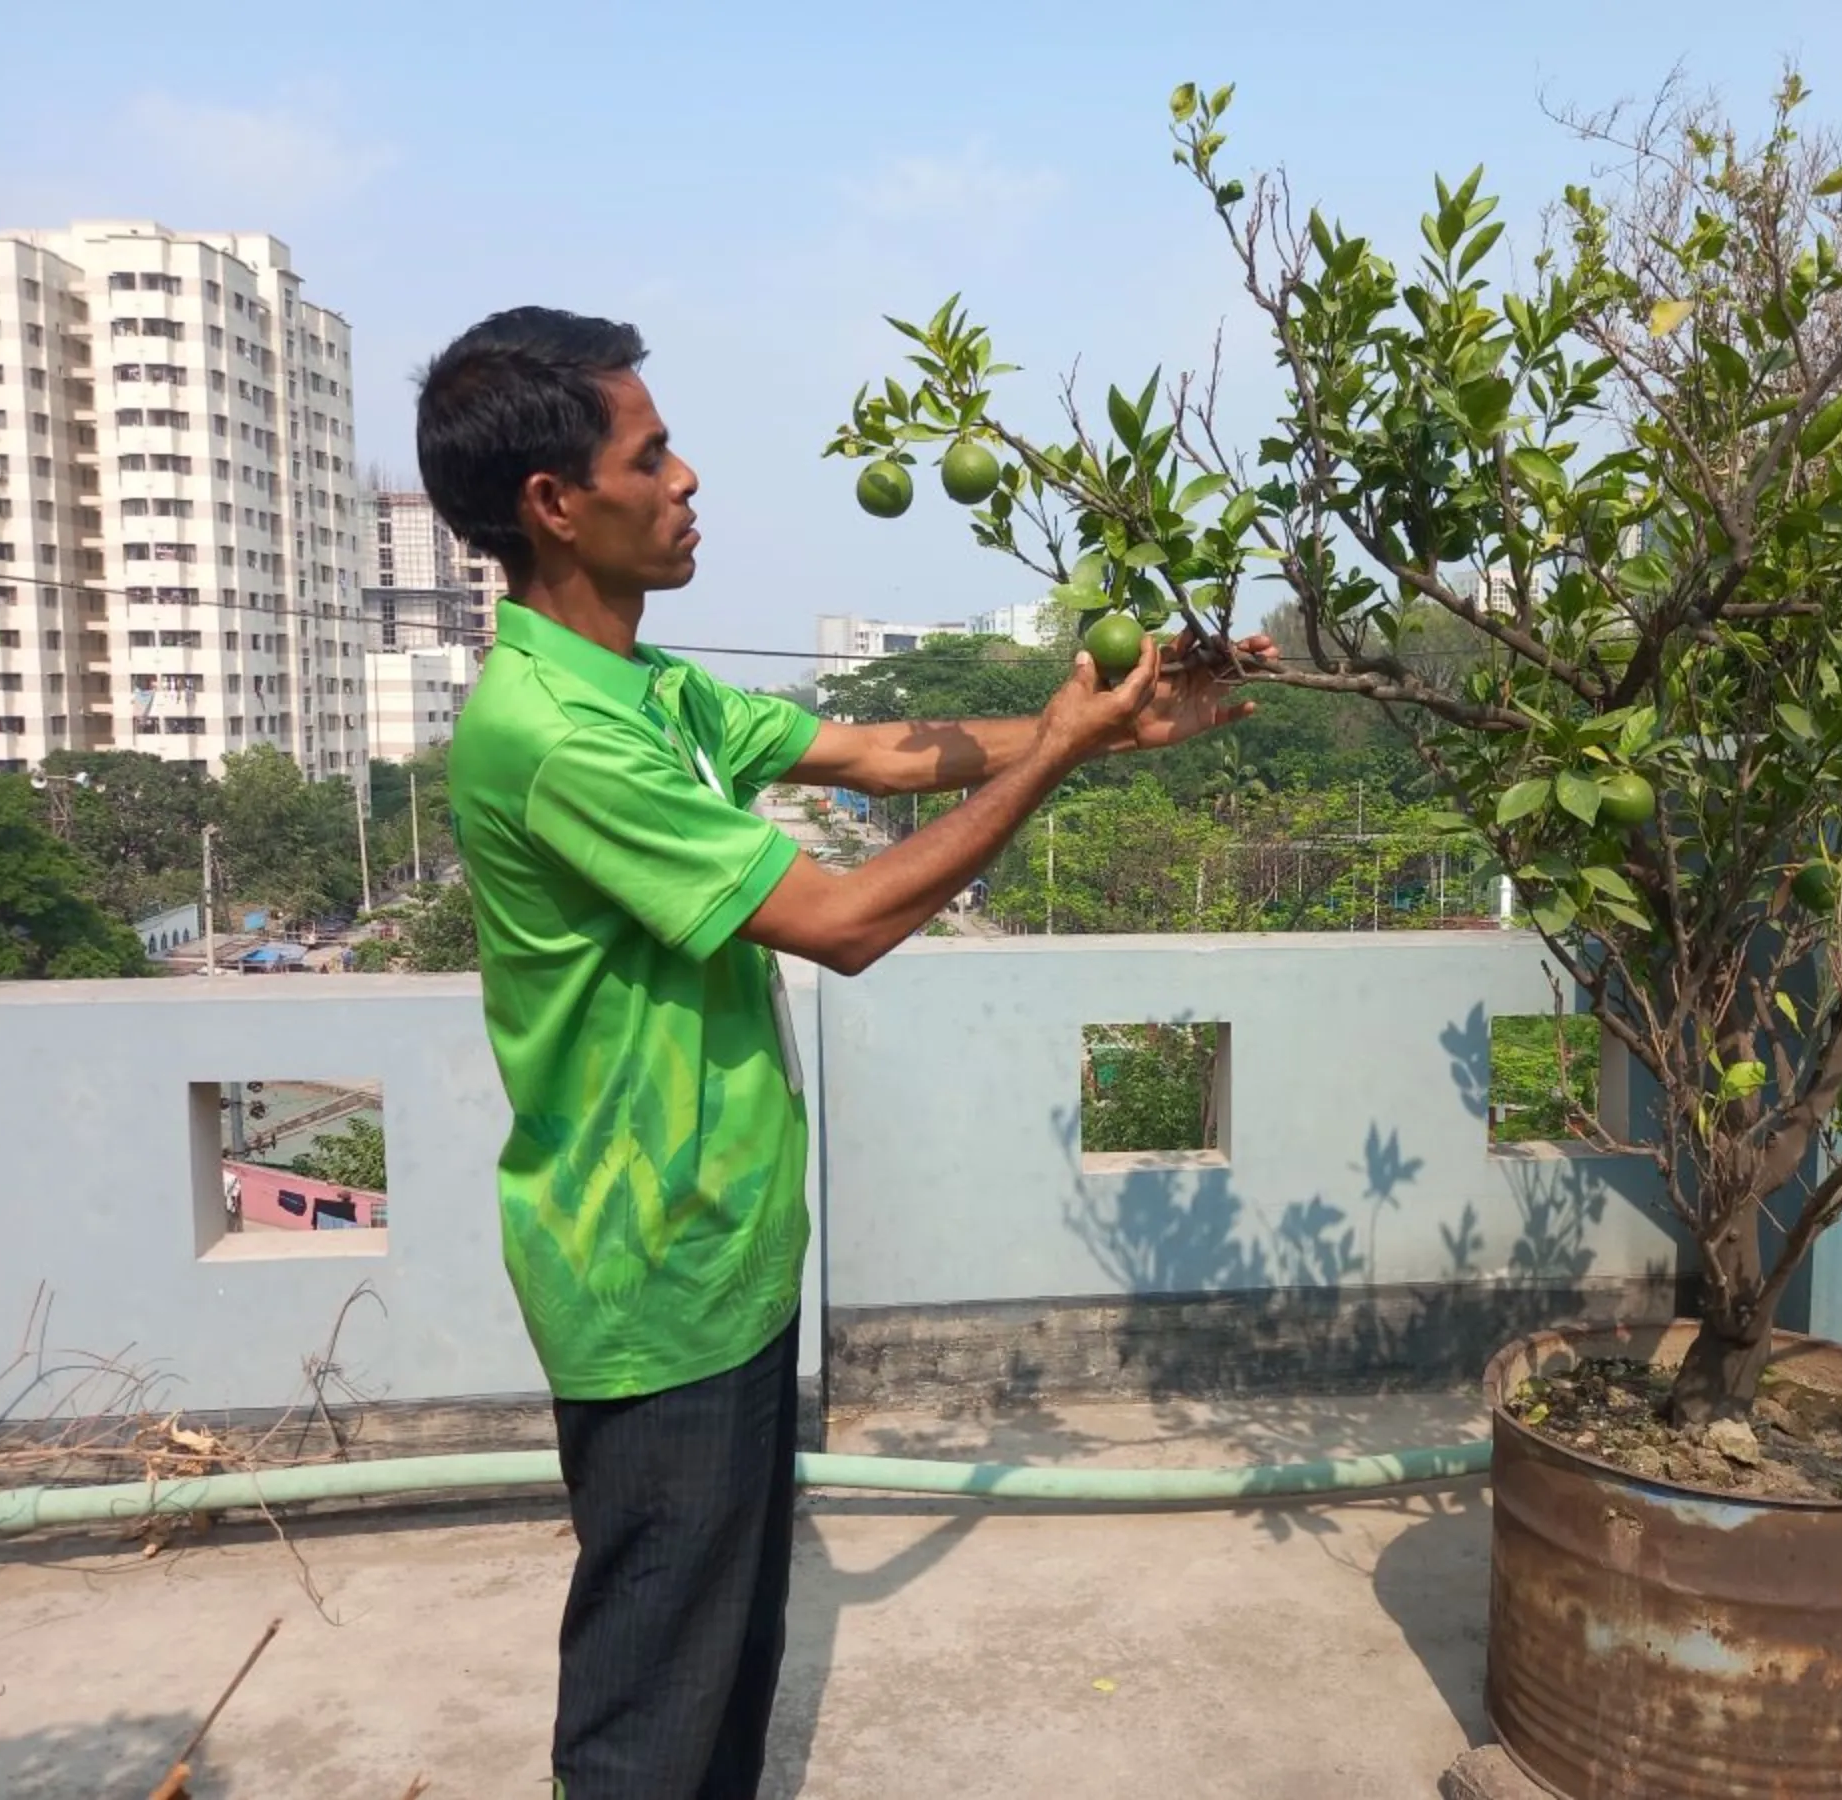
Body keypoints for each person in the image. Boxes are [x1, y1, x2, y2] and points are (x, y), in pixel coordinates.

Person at [415, 306, 1271, 1800]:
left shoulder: (647, 691)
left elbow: (883, 753)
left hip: (724, 1251)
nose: (688, 480)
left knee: (725, 1672)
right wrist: (1066, 758)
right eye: (652, 452)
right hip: (647, 1271)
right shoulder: (553, 732)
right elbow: (847, 919)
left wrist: (1112, 724)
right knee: (647, 1713)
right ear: (555, 502)